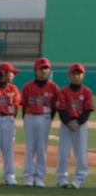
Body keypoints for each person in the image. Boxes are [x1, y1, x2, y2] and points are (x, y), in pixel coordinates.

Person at [20, 57, 60, 187]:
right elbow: (24, 105)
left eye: (46, 69)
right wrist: (27, 117)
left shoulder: (53, 87)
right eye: (41, 69)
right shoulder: (28, 86)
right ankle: (28, 176)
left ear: (49, 71)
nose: (43, 71)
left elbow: (55, 107)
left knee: (42, 148)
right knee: (30, 147)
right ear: (35, 70)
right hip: (30, 116)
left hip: (45, 117)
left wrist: (48, 118)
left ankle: (39, 177)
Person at [55, 62, 92, 189]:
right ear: (69, 75)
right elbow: (61, 109)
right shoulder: (63, 91)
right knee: (63, 153)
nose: (77, 76)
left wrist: (78, 122)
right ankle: (61, 178)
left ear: (83, 75)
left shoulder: (87, 92)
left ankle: (80, 178)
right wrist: (68, 122)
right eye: (74, 73)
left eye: (79, 73)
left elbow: (87, 110)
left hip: (81, 126)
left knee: (81, 153)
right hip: (66, 125)